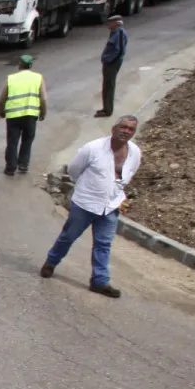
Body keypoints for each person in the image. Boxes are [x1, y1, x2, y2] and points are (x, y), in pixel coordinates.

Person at [41, 115, 141, 298]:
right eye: (123, 127)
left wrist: (117, 195)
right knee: (68, 237)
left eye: (131, 129)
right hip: (85, 203)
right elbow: (73, 170)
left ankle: (99, 281)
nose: (126, 131)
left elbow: (129, 174)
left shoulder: (135, 152)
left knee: (103, 244)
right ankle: (51, 262)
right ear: (114, 128)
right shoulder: (93, 148)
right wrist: (90, 187)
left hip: (111, 206)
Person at [0, 54, 47, 175]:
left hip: (13, 117)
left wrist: (2, 112)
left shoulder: (11, 78)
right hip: (30, 116)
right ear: (30, 66)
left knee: (12, 142)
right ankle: (23, 165)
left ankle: (10, 167)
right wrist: (43, 113)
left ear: (19, 65)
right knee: (27, 141)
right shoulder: (38, 78)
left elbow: (1, 100)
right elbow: (43, 99)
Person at [96, 16, 127, 118]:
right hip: (109, 62)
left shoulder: (120, 33)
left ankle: (108, 110)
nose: (108, 24)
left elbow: (119, 50)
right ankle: (105, 108)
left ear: (117, 23)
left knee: (109, 86)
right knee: (106, 86)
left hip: (112, 64)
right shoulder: (115, 32)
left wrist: (110, 61)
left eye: (111, 22)